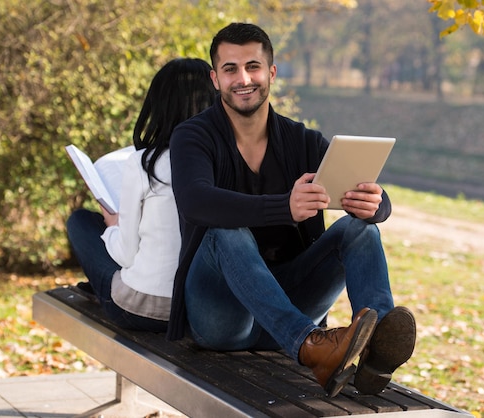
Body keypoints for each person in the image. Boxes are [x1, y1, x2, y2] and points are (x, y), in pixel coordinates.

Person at [167, 23, 416, 397]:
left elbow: (371, 198)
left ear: (271, 73)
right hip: (222, 318)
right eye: (230, 69)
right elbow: (195, 202)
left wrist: (376, 205)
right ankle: (311, 347)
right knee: (223, 231)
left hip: (292, 306)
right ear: (215, 79)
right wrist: (284, 206)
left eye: (253, 66)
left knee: (360, 229)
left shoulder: (303, 140)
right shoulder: (193, 136)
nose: (243, 78)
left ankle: (375, 350)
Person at [66, 58, 216, 332]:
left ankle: (98, 288)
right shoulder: (225, 161)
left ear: (159, 106)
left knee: (81, 222)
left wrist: (113, 224)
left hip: (143, 311)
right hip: (204, 310)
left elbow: (125, 255)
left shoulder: (144, 163)